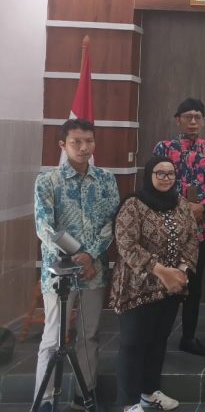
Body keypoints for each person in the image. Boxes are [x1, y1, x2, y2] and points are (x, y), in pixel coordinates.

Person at [33, 119, 120, 412]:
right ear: (63, 145)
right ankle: (45, 400)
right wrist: (77, 256)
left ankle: (85, 393)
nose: (84, 147)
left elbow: (112, 222)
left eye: (89, 141)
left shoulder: (106, 179)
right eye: (76, 142)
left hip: (94, 270)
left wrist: (90, 255)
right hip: (59, 273)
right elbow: (45, 227)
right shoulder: (48, 181)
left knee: (89, 334)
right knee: (52, 336)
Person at [110, 156, 199, 412]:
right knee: (133, 343)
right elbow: (126, 245)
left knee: (158, 340)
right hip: (137, 286)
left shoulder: (181, 204)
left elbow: (192, 238)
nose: (166, 178)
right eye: (160, 173)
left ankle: (149, 393)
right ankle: (129, 403)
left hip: (171, 288)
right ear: (149, 175)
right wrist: (161, 272)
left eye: (170, 173)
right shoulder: (133, 205)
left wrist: (181, 271)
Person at [153, 97, 205, 356]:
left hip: (199, 228)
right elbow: (156, 183)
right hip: (168, 228)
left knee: (194, 284)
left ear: (203, 121)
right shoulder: (164, 148)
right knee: (168, 282)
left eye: (197, 117)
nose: (193, 121)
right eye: (188, 117)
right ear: (178, 119)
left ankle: (189, 337)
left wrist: (203, 206)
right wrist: (183, 208)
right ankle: (158, 336)